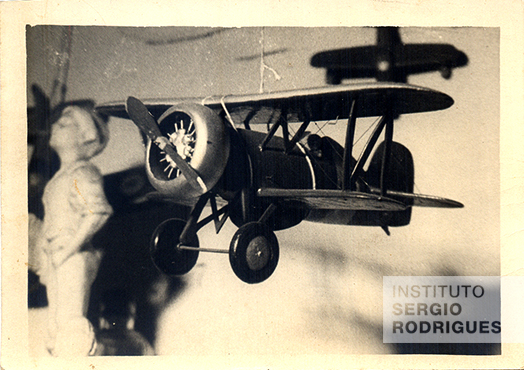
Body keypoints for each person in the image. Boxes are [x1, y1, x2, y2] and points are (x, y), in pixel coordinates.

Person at [29, 101, 113, 356]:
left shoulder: (83, 171)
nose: (55, 125)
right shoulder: (60, 178)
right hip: (55, 254)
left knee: (70, 325)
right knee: (56, 329)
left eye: (64, 124)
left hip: (71, 256)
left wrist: (69, 248)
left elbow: (97, 212)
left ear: (84, 136)